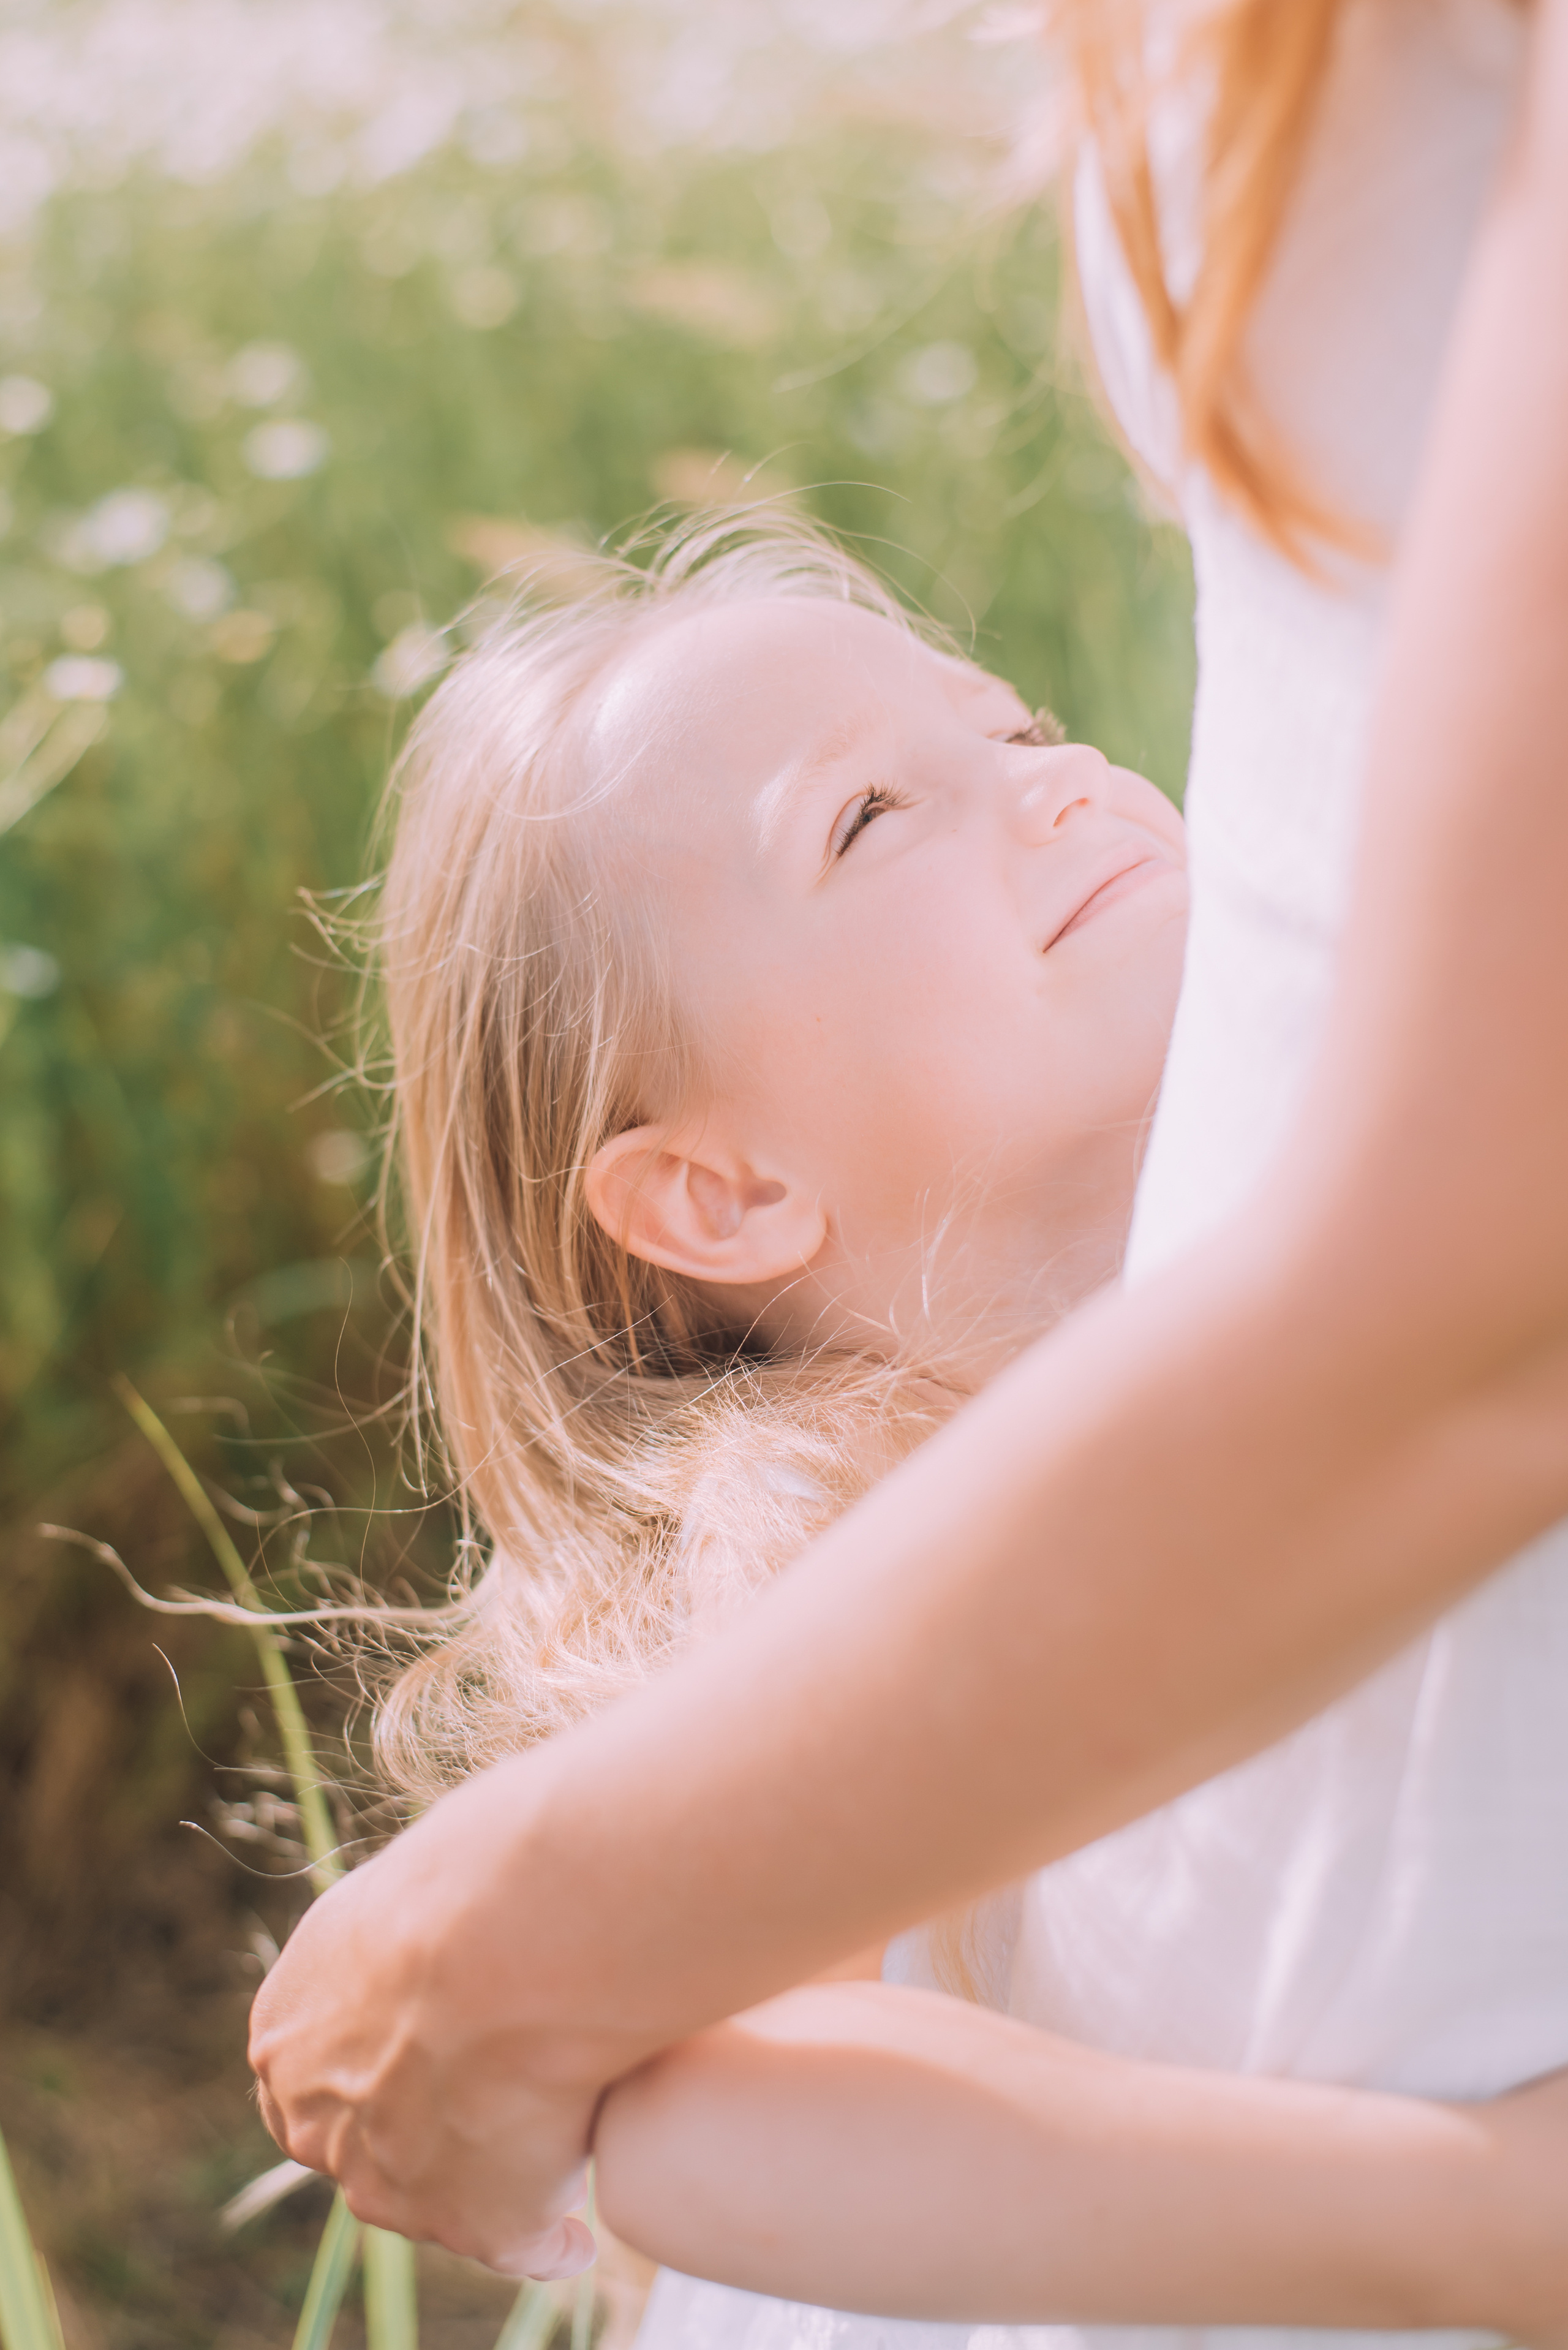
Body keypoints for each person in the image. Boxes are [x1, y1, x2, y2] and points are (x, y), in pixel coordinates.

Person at [249, 0, 1568, 2305]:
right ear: (723, 1193)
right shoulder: (830, 1519)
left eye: (1022, 723)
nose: (1051, 778)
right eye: (872, 819)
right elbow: (708, 2115)